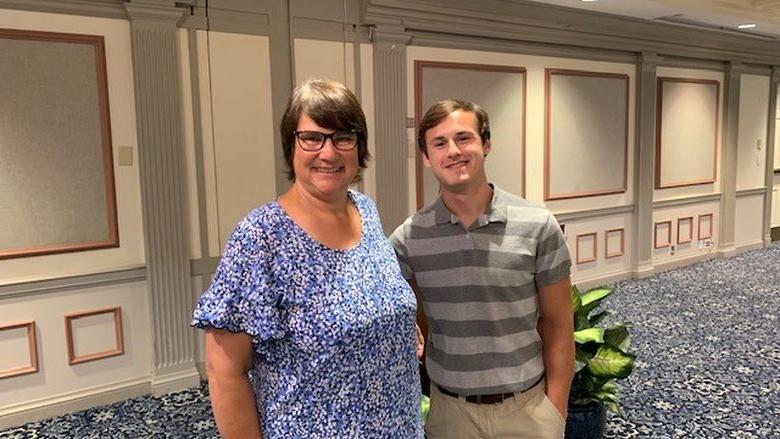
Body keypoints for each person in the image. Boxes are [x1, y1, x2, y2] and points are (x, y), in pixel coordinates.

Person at [192, 79, 423, 438]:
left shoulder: (366, 209)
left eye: (343, 137)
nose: (328, 153)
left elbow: (374, 294)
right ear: (291, 146)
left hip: (399, 424)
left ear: (358, 147)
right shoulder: (260, 236)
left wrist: (397, 325)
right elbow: (224, 371)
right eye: (312, 138)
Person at [389, 99, 574, 438]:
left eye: (464, 138)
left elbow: (559, 324)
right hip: (450, 415)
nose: (454, 151)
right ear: (427, 157)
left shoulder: (538, 226)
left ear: (485, 144)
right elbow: (406, 317)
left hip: (528, 411)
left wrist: (555, 410)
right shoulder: (409, 239)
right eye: (439, 143)